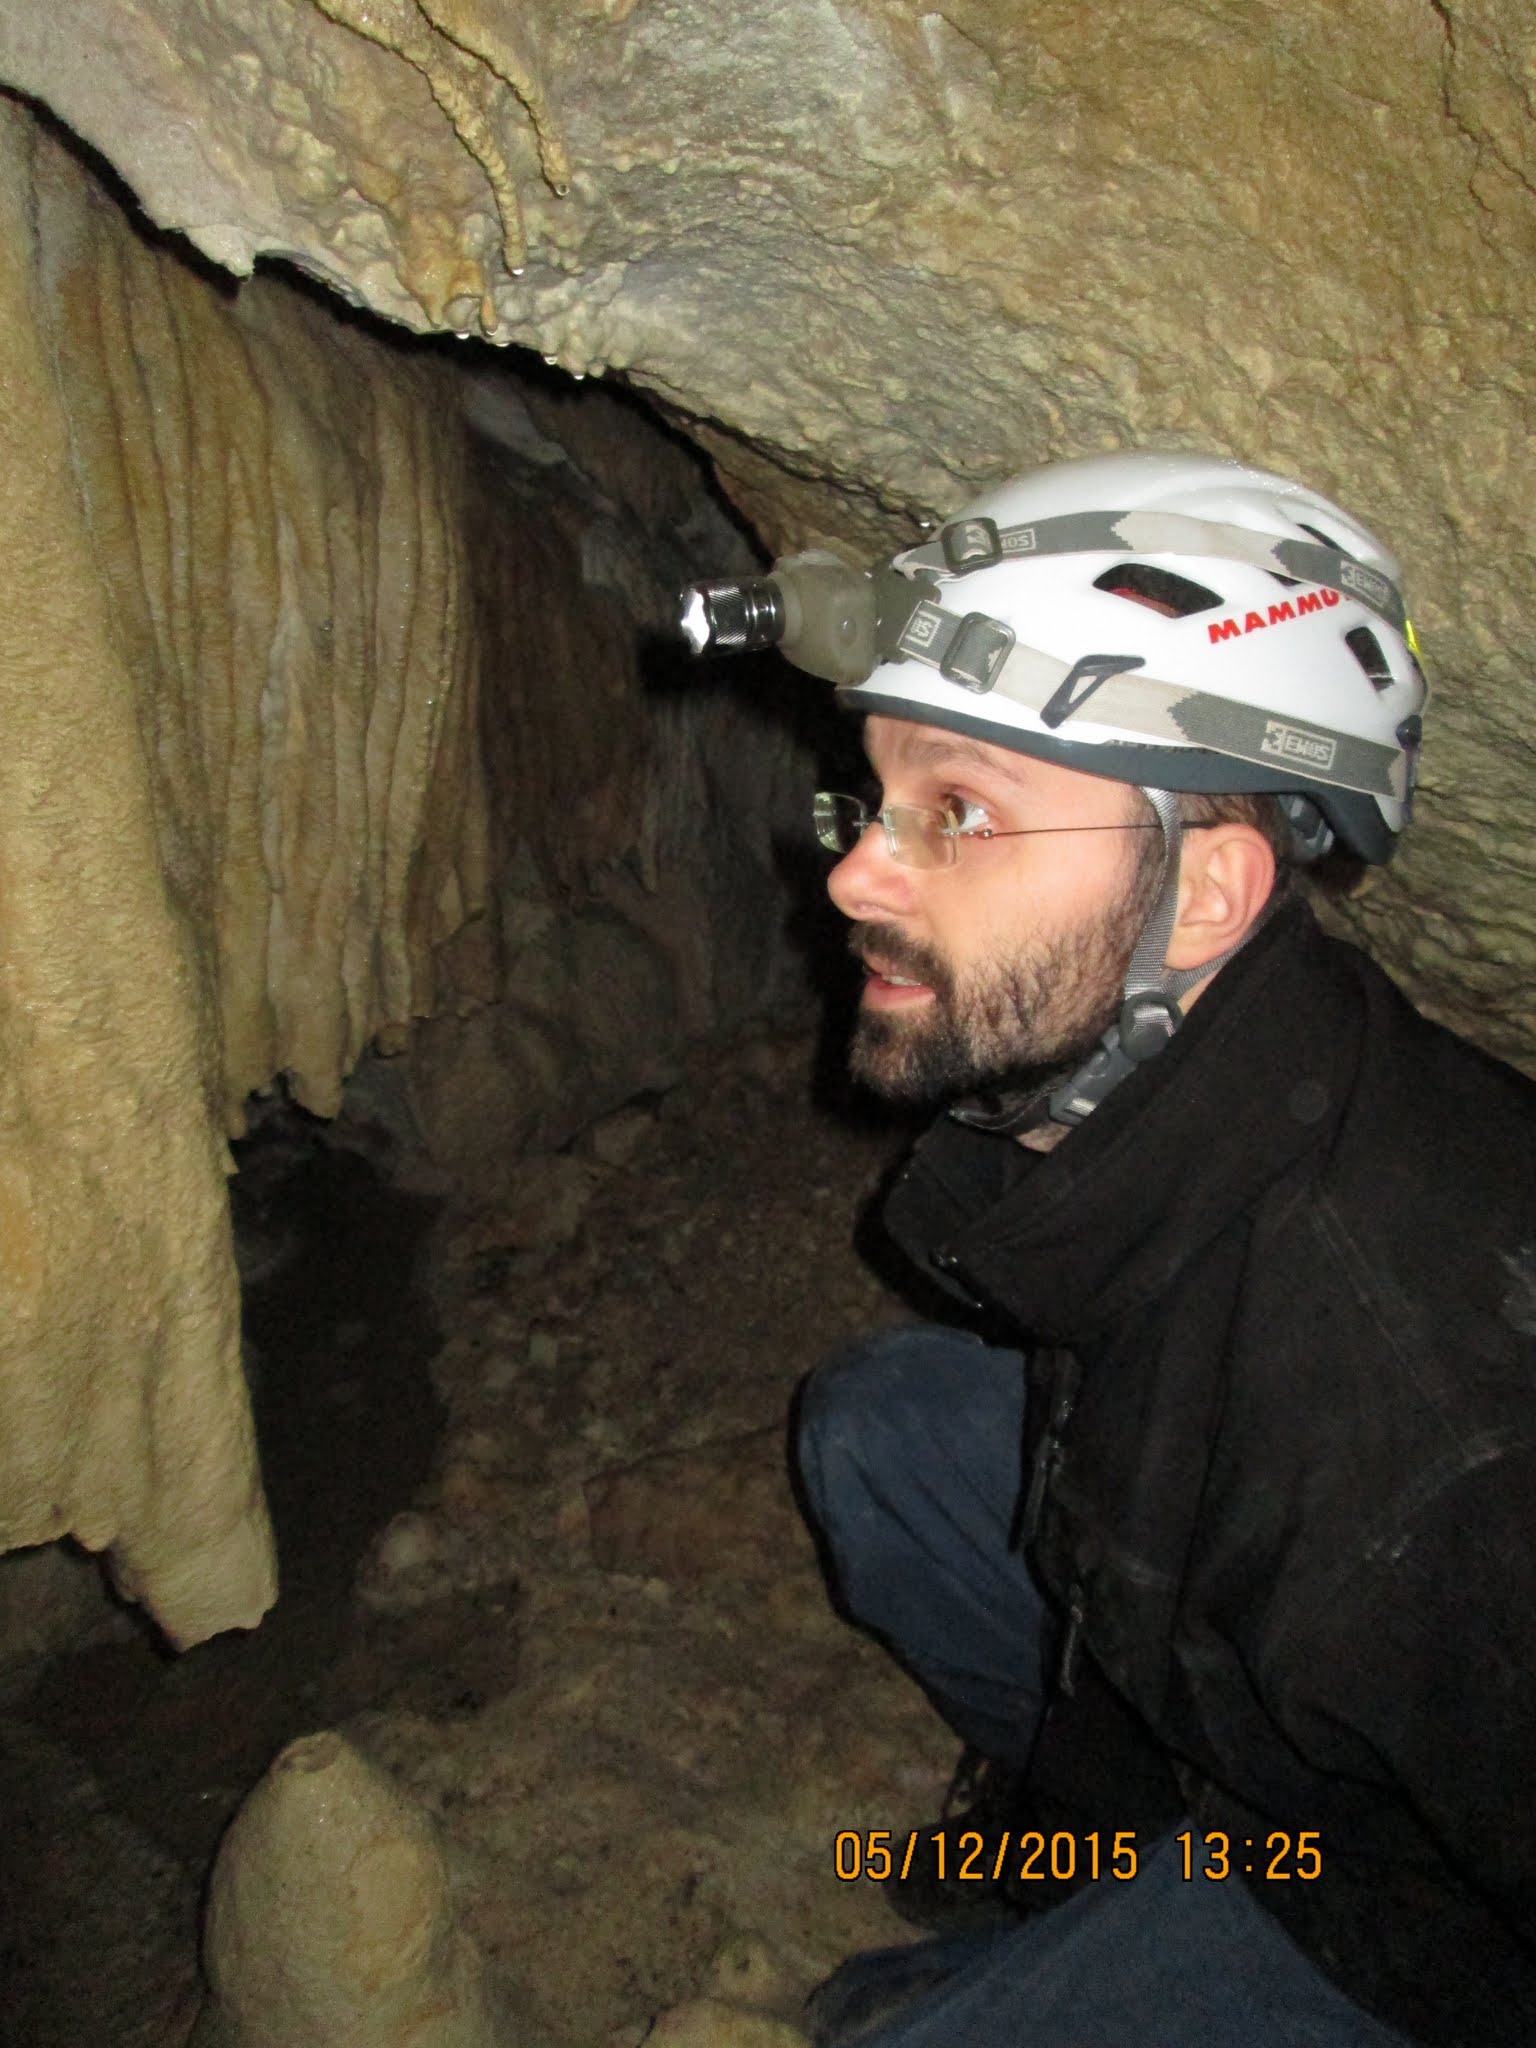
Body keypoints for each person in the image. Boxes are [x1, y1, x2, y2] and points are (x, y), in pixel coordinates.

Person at [771, 452, 1536, 2047]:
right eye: (880, 797)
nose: (853, 871)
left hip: (1396, 1914)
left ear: (1205, 896)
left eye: (959, 811)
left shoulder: (1435, 1442)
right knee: (883, 1428)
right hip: (1238, 1684)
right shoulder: (1180, 1094)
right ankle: (1094, 1846)